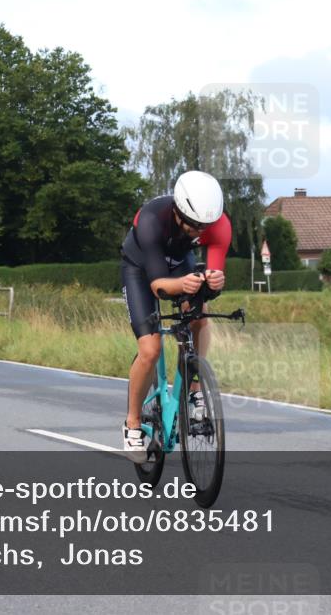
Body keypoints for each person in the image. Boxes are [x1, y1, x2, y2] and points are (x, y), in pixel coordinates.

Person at [119, 171, 231, 460]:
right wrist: (182, 285)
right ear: (178, 212)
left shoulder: (219, 226)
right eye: (193, 225)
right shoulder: (152, 220)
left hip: (180, 264)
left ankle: (194, 394)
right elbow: (157, 285)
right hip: (141, 269)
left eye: (204, 226)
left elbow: (212, 280)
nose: (199, 232)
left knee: (200, 317)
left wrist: (213, 283)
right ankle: (132, 425)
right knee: (150, 349)